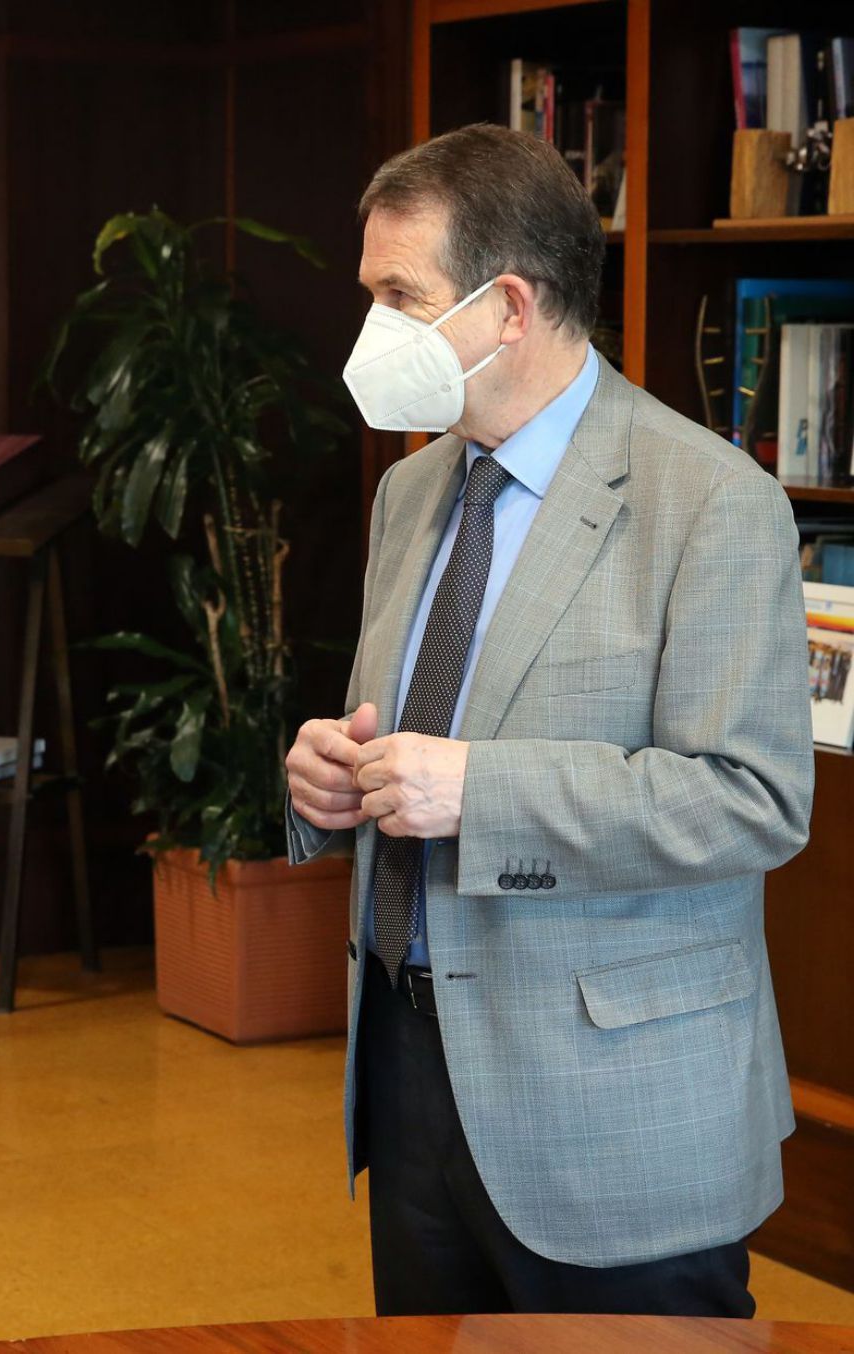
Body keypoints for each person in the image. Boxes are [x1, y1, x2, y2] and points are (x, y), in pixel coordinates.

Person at [284, 123, 813, 1317]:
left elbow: (754, 798)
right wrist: (325, 780)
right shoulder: (408, 492)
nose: (370, 331)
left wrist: (479, 790)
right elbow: (405, 735)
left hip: (612, 1099)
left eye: (397, 296)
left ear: (507, 305)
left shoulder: (712, 503)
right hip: (410, 1069)